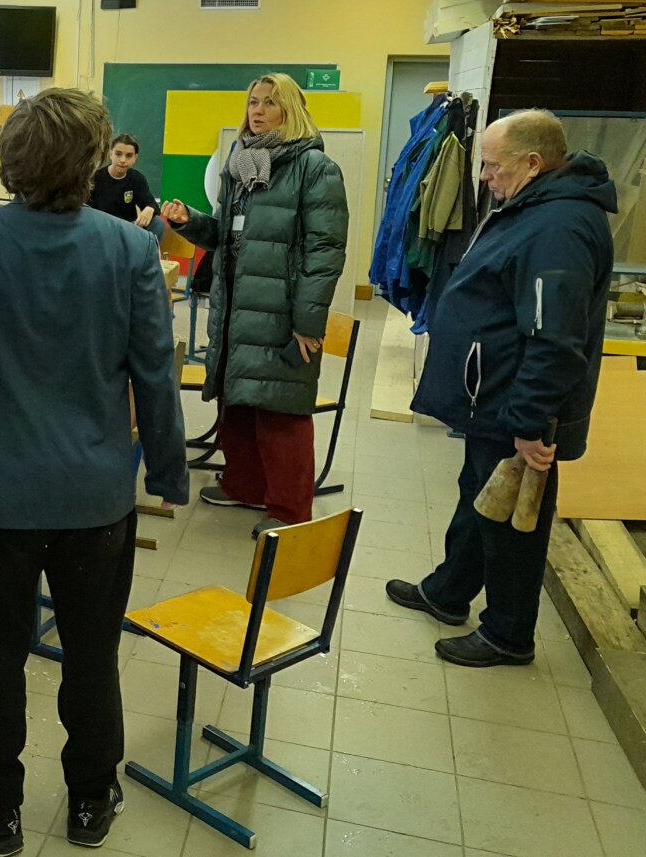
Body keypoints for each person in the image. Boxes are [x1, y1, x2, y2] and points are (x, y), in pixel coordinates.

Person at [0, 88, 188, 856]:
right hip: (95, 496)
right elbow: (155, 375)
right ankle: (91, 800)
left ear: (10, 161)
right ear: (94, 162)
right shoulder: (129, 249)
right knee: (92, 655)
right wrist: (167, 472)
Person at [386, 109, 615, 668]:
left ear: (533, 163)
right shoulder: (534, 207)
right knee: (479, 495)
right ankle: (448, 591)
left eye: (492, 165)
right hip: (493, 394)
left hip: (517, 403)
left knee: (513, 520)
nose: (484, 177)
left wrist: (530, 422)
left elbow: (556, 338)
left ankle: (508, 634)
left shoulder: (559, 227)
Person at [162, 72, 348, 536]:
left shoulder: (315, 167)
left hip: (282, 311)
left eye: (269, 102)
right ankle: (245, 486)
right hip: (236, 305)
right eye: (253, 102)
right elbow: (226, 234)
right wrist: (189, 222)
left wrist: (308, 322)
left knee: (280, 410)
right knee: (238, 401)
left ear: (291, 110)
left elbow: (325, 252)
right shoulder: (241, 164)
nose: (258, 111)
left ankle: (289, 512)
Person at [89, 133, 164, 242]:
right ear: (110, 154)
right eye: (118, 154)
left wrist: (150, 208)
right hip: (103, 230)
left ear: (135, 158)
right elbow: (86, 210)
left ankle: (147, 252)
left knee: (158, 222)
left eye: (129, 156)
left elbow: (151, 204)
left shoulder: (137, 179)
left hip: (128, 229)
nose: (123, 160)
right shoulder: (96, 178)